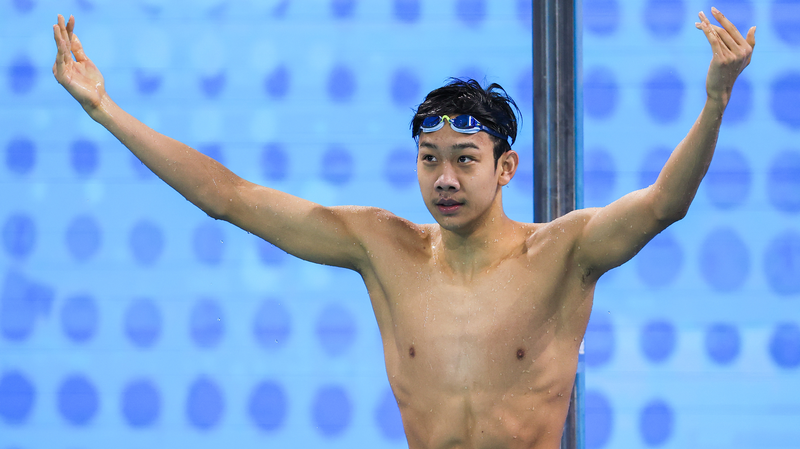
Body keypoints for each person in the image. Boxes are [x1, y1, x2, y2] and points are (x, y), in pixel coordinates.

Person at [52, 8, 755, 449]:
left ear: (506, 167)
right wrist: (105, 110)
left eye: (464, 160)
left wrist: (716, 97)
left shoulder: (565, 253)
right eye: (429, 160)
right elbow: (229, 197)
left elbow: (666, 202)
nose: (443, 179)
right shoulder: (382, 247)